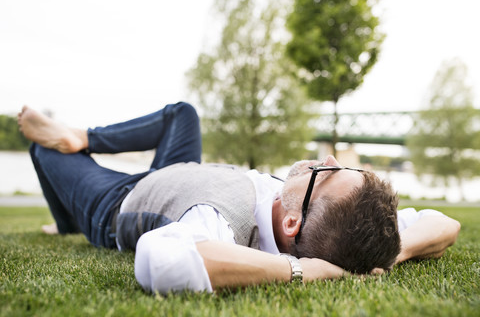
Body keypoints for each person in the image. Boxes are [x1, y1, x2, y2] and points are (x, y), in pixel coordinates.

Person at [17, 102, 461, 294]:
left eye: (326, 172)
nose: (323, 156)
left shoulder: (223, 223)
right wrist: (386, 255)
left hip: (119, 202)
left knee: (43, 150)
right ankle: (83, 137)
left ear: (291, 223)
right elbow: (445, 225)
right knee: (182, 115)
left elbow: (162, 261)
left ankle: (72, 218)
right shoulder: (342, 221)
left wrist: (301, 271)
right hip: (178, 172)